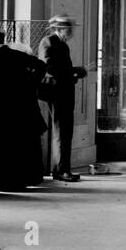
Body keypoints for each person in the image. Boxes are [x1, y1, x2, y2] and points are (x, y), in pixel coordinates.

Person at [0, 23, 47, 190]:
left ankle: (8, 181)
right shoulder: (18, 54)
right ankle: (28, 178)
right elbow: (41, 66)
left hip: (3, 107)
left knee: (6, 145)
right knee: (24, 143)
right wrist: (31, 84)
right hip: (25, 105)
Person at [37, 15, 86, 181]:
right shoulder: (49, 42)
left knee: (64, 132)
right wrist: (74, 72)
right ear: (58, 29)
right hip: (57, 92)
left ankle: (61, 169)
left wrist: (74, 71)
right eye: (68, 28)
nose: (71, 31)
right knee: (62, 132)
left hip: (62, 92)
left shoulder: (60, 44)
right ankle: (61, 170)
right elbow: (48, 68)